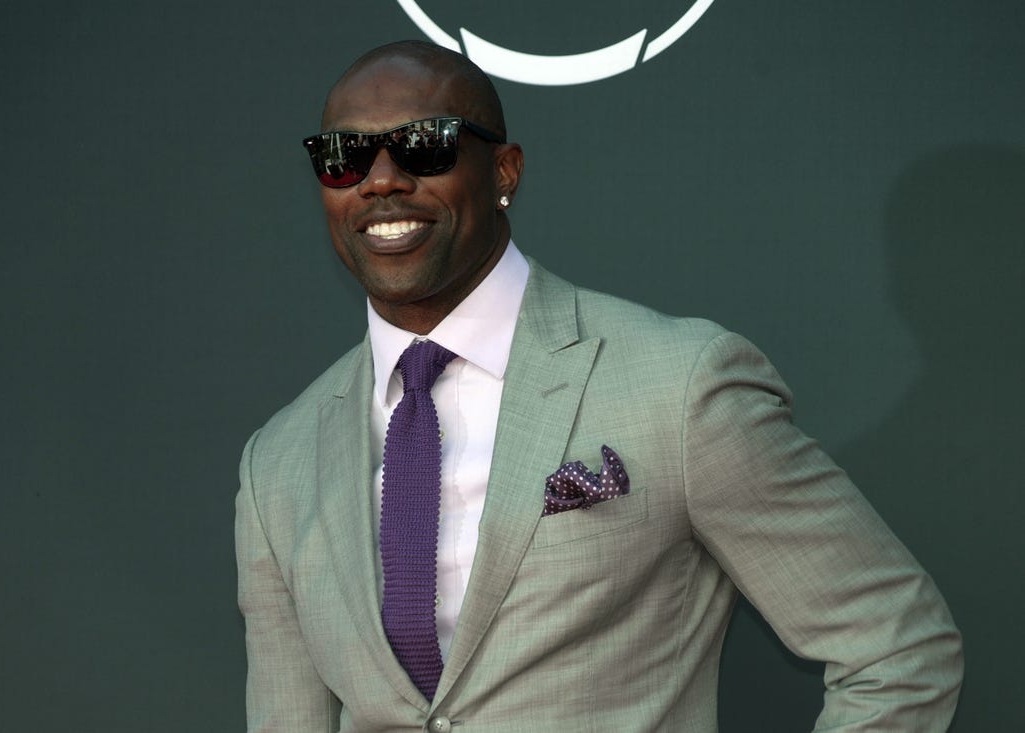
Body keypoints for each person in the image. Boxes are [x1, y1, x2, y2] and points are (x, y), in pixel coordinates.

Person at [235, 40, 963, 732]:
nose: (382, 179)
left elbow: (896, 647)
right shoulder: (279, 464)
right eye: (344, 157)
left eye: (426, 145)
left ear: (505, 172)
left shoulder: (677, 386)